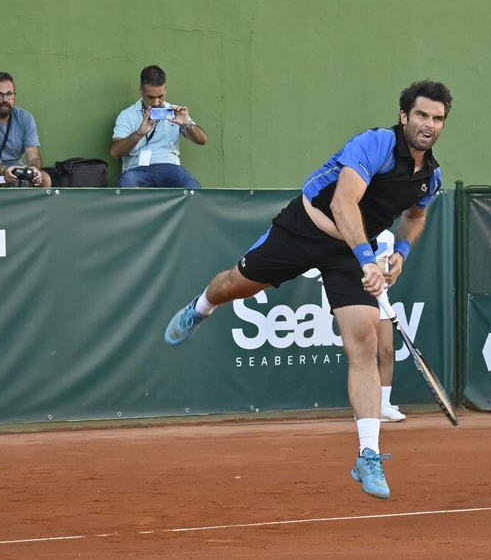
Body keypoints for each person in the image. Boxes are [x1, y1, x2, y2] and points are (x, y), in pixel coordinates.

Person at [162, 81, 451, 501]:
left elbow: (414, 217)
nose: (429, 125)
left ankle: (367, 453)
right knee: (232, 287)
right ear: (404, 116)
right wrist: (368, 260)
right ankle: (201, 307)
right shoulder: (374, 145)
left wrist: (401, 254)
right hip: (306, 228)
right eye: (422, 115)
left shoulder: (430, 176)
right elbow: (342, 204)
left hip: (350, 255)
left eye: (438, 118)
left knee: (363, 343)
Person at [110, 64, 207, 187]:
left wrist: (187, 124)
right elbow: (115, 153)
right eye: (150, 97)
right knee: (127, 184)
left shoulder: (174, 111)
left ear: (165, 89)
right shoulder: (127, 115)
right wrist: (140, 133)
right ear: (141, 90)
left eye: (160, 96)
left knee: (191, 185)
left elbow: (202, 140)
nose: (156, 102)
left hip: (170, 167)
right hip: (137, 169)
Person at [371, 229, 408, 423]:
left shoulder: (388, 236)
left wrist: (390, 276)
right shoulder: (354, 230)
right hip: (359, 298)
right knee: (365, 354)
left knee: (387, 351)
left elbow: (386, 268)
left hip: (382, 299)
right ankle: (368, 406)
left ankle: (383, 404)